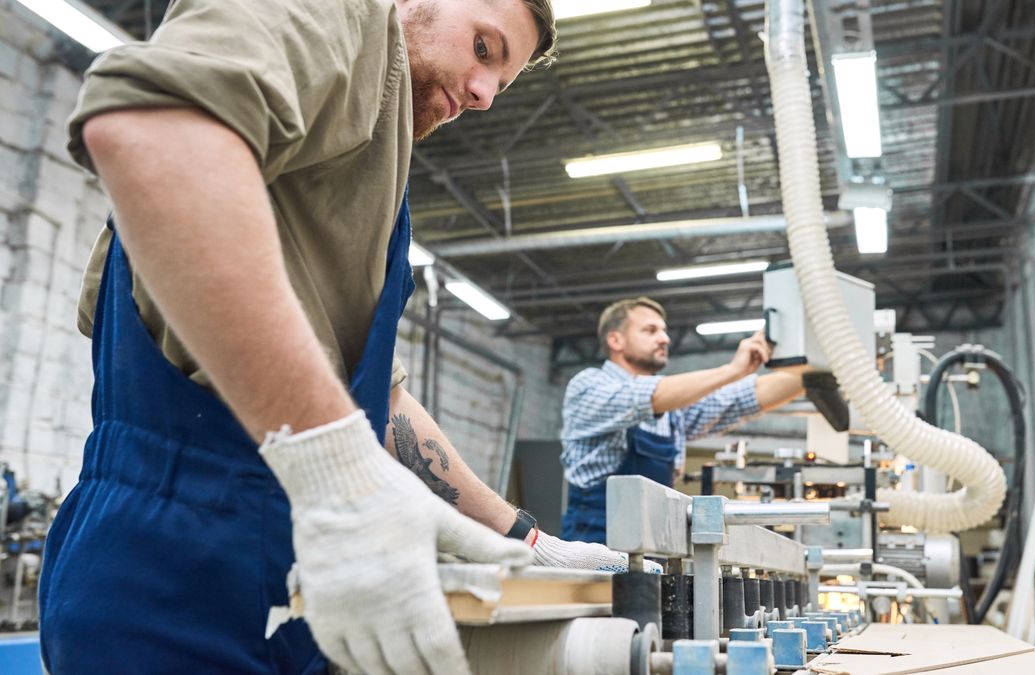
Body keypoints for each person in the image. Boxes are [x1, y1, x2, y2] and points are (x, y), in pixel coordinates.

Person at [38, 1, 634, 673]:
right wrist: (335, 467)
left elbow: (377, 407)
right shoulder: (338, 15)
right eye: (484, 49)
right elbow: (153, 128)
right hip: (174, 566)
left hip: (287, 574)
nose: (484, 95)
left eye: (502, 82)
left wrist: (525, 537)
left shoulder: (364, 150)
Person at [560, 297, 809, 543]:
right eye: (650, 330)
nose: (664, 338)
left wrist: (815, 372)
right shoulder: (589, 386)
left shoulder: (673, 410)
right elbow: (647, 397)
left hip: (654, 553)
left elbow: (742, 398)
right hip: (594, 554)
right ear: (615, 340)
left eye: (664, 331)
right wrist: (732, 371)